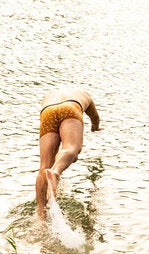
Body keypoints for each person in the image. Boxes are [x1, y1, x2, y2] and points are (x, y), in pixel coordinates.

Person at [36, 88, 101, 218]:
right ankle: (55, 172)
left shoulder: (49, 95)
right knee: (71, 149)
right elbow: (95, 118)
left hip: (47, 111)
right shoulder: (85, 95)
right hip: (70, 107)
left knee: (44, 166)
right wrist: (95, 127)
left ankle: (41, 216)